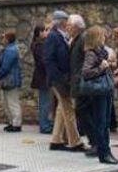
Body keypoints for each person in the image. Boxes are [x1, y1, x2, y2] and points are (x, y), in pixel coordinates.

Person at [43, 10, 84, 152]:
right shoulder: (53, 37)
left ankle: (56, 139)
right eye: (67, 21)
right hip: (58, 80)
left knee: (62, 108)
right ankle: (75, 141)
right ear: (61, 22)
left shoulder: (59, 36)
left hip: (60, 78)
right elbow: (48, 60)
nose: (68, 24)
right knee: (68, 109)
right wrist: (60, 78)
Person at [81, 26, 118, 165]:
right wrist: (101, 68)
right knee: (101, 123)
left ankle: (107, 151)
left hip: (106, 90)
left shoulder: (101, 52)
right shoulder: (91, 53)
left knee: (105, 124)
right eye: (102, 36)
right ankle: (103, 153)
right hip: (99, 91)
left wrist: (110, 65)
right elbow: (86, 73)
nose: (105, 38)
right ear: (97, 38)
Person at [68, 14, 94, 152]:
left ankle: (95, 142)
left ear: (77, 27)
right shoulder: (77, 39)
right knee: (82, 113)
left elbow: (88, 59)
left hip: (83, 83)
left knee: (85, 113)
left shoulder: (83, 39)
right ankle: (94, 141)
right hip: (79, 82)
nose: (68, 28)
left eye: (70, 26)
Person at [0, 29, 22, 132]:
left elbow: (5, 67)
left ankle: (16, 123)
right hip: (8, 79)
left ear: (8, 39)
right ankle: (12, 122)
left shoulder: (10, 51)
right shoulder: (7, 49)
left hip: (10, 79)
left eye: (3, 37)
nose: (2, 39)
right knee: (7, 102)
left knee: (12, 102)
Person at [30, 25, 53, 134]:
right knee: (44, 102)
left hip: (41, 76)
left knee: (45, 102)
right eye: (44, 31)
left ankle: (45, 123)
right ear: (39, 33)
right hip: (42, 77)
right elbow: (43, 61)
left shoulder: (38, 45)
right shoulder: (39, 46)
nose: (46, 33)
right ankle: (44, 126)